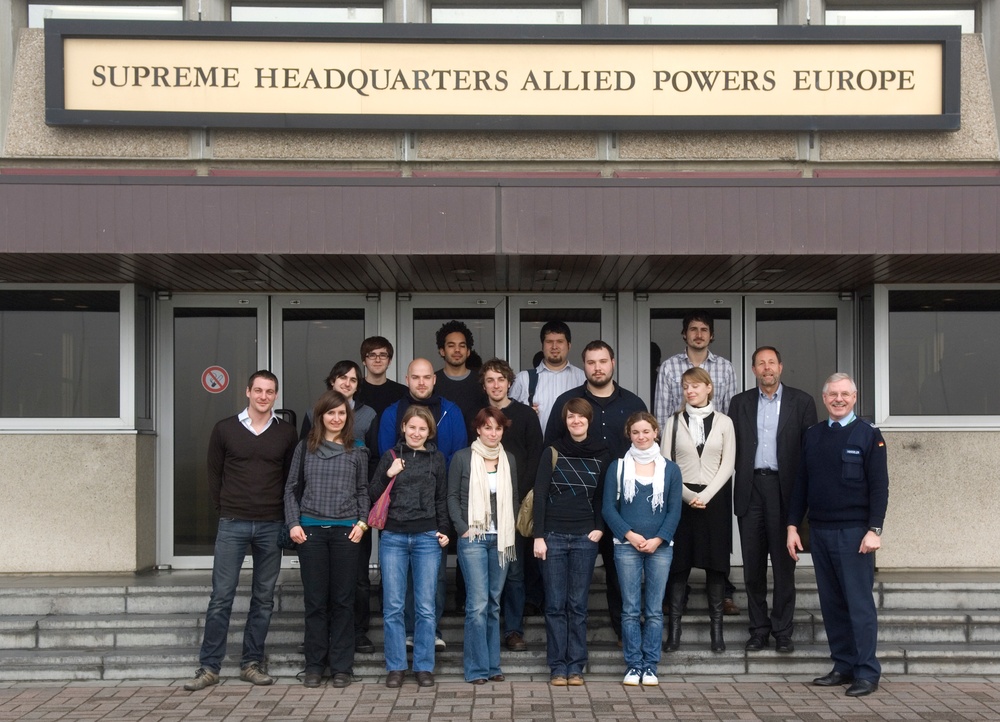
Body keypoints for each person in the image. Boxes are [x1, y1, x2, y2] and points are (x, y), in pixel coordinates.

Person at [183, 370, 298, 691]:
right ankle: (209, 667)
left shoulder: (286, 433)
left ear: (275, 395)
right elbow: (213, 474)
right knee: (221, 597)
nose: (263, 396)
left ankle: (251, 663)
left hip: (271, 524)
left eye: (269, 391)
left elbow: (291, 480)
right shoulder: (225, 430)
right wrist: (226, 510)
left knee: (263, 599)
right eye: (258, 390)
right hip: (233, 522)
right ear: (247, 392)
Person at [787, 373, 889, 698]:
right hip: (820, 531)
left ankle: (866, 672)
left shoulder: (869, 435)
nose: (838, 399)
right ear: (824, 397)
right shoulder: (813, 435)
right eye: (833, 394)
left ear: (855, 398)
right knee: (832, 604)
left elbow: (879, 486)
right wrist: (792, 525)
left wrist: (875, 530)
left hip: (855, 533)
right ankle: (843, 665)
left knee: (859, 605)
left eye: (845, 394)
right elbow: (801, 484)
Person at [545, 340, 647, 646]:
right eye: (591, 362)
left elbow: (645, 447)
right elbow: (549, 450)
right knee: (572, 576)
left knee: (620, 569)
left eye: (603, 361)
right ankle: (570, 643)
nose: (597, 368)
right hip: (577, 504)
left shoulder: (633, 403)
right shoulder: (568, 402)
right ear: (584, 365)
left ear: (613, 363)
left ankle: (622, 632)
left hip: (622, 499)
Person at [730, 347, 817, 654]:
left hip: (786, 491)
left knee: (784, 567)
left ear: (781, 366)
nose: (766, 368)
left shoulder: (802, 402)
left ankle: (782, 630)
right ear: (753, 370)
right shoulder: (739, 403)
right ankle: (758, 629)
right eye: (760, 364)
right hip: (750, 488)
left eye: (771, 363)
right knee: (752, 566)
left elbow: (810, 452)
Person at [653, 310, 740, 615]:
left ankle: (724, 593)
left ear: (711, 335)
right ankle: (678, 596)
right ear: (684, 334)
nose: (699, 334)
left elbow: (728, 413)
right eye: (693, 329)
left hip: (714, 471)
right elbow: (662, 416)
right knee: (681, 543)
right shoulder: (669, 368)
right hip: (681, 462)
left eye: (704, 329)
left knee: (717, 542)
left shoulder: (725, 369)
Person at [285, 390, 370, 688]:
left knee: (344, 601)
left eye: (342, 413)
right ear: (320, 415)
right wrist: (294, 523)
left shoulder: (357, 449)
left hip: (347, 532)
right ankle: (314, 665)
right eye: (331, 413)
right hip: (310, 533)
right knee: (316, 602)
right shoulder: (305, 448)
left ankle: (342, 668)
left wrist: (363, 522)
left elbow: (363, 491)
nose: (336, 418)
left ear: (348, 418)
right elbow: (291, 488)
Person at [298, 360, 380, 655]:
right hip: (317, 514)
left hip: (354, 511)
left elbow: (372, 461)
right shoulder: (314, 413)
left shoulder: (369, 415)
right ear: (332, 381)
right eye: (342, 378)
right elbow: (304, 462)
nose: (347, 383)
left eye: (353, 380)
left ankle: (357, 633)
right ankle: (319, 640)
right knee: (321, 585)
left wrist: (363, 509)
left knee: (357, 578)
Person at [370, 405, 450, 689]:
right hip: (393, 537)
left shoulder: (437, 459)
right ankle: (396, 667)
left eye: (422, 429)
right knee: (393, 606)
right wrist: (387, 474)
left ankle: (424, 666)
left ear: (429, 432)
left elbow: (441, 498)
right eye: (412, 427)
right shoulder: (390, 456)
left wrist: (444, 531)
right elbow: (371, 495)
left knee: (426, 606)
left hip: (427, 537)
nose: (416, 433)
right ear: (403, 427)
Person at [533, 398, 610, 687]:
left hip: (584, 538)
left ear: (589, 420)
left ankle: (576, 667)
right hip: (552, 536)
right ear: (565, 421)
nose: (576, 421)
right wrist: (538, 536)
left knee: (577, 605)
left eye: (581, 417)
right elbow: (539, 495)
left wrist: (599, 529)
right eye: (571, 417)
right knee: (554, 605)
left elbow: (603, 496)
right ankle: (557, 667)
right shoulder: (552, 451)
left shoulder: (603, 454)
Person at [602, 412, 683, 687]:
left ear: (655, 433)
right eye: (636, 432)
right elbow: (608, 509)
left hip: (660, 547)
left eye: (646, 431)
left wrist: (658, 539)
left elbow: (674, 511)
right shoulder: (619, 467)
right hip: (626, 546)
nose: (641, 436)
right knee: (630, 609)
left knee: (655, 610)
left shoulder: (670, 469)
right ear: (629, 435)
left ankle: (650, 666)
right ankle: (633, 665)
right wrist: (630, 535)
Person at [661, 367, 736, 654]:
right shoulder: (674, 422)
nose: (689, 391)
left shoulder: (724, 422)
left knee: (716, 566)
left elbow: (728, 464)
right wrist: (689, 495)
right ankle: (674, 633)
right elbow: (667, 464)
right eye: (685, 387)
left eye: (695, 386)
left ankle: (717, 633)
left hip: (714, 500)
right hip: (682, 499)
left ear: (708, 388)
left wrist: (705, 495)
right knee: (679, 566)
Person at [448, 407, 519, 684]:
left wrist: (508, 529)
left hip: (500, 539)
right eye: (487, 427)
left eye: (498, 428)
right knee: (477, 605)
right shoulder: (463, 457)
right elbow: (452, 496)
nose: (493, 433)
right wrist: (462, 528)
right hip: (474, 539)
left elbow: (512, 498)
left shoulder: (508, 459)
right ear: (478, 429)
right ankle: (476, 669)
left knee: (493, 604)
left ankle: (493, 666)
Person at [480, 357, 543, 652]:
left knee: (515, 570)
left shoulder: (525, 416)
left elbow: (535, 456)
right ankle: (485, 630)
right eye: (490, 380)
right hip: (482, 504)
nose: (496, 385)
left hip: (515, 503)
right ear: (484, 385)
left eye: (501, 380)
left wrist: (522, 497)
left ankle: (514, 630)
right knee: (484, 570)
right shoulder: (478, 416)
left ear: (509, 383)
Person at [378, 358, 467, 467]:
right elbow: (387, 457)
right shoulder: (391, 413)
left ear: (434, 379)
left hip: (443, 481)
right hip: (402, 482)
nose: (421, 383)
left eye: (427, 377)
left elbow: (458, 456)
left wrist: (438, 476)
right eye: (415, 377)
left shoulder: (451, 412)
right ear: (407, 380)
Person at [510, 320, 585, 434]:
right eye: (549, 342)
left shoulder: (582, 378)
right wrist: (524, 414)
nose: (554, 346)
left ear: (569, 345)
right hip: (535, 448)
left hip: (572, 449)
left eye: (560, 341)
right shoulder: (523, 379)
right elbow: (507, 417)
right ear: (542, 346)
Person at [434, 320, 489, 439]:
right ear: (442, 350)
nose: (457, 350)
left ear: (468, 351)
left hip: (477, 450)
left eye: (462, 346)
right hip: (440, 451)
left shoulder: (482, 382)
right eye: (451, 345)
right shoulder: (432, 382)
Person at [355, 336, 407, 417]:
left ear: (389, 361)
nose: (378, 360)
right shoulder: (354, 390)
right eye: (372, 355)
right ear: (364, 361)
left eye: (383, 355)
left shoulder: (402, 392)